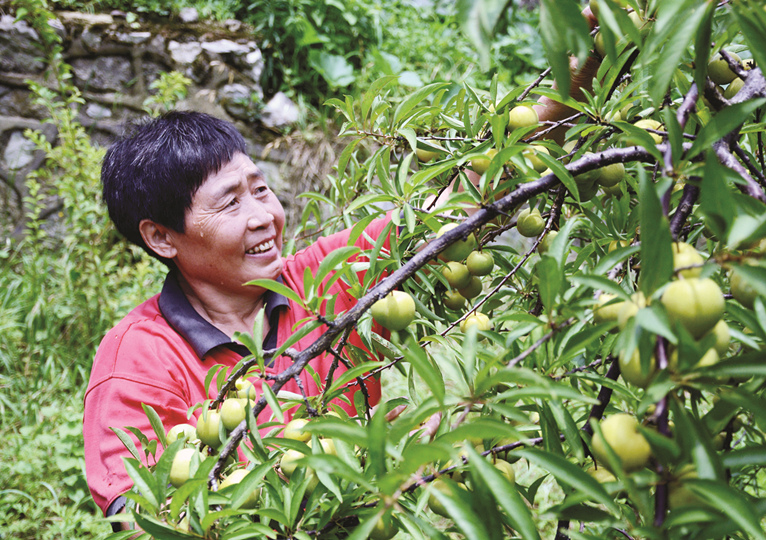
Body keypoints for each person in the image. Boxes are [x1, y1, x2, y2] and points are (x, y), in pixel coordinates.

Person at [83, 33, 600, 524]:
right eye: (229, 202)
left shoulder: (327, 279)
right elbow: (145, 518)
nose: (264, 216)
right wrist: (385, 462)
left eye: (261, 190)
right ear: (161, 237)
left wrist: (593, 60)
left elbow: (476, 187)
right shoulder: (136, 361)